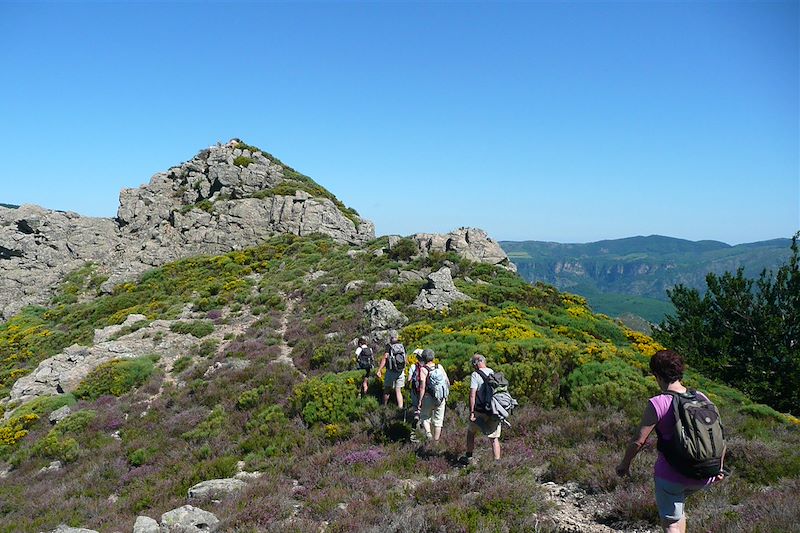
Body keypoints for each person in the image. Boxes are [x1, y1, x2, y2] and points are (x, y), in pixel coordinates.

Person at [615, 349, 726, 533]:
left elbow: (638, 441)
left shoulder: (658, 402)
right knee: (678, 511)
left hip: (672, 475)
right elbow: (719, 435)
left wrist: (624, 465)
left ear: (657, 375)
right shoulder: (701, 397)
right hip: (706, 474)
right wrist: (718, 467)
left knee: (672, 523)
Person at [464, 353, 502, 462]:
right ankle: (497, 461)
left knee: (471, 433)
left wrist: (472, 412)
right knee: (494, 438)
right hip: (493, 410)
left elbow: (472, 395)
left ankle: (469, 456)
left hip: (479, 411)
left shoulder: (475, 375)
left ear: (476, 364)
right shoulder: (492, 373)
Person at [413, 348, 449, 442]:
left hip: (428, 397)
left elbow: (422, 387)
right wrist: (446, 394)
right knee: (438, 420)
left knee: (425, 416)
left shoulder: (423, 369)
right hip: (441, 397)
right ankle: (436, 442)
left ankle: (428, 434)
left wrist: (420, 400)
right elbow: (447, 381)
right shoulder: (439, 367)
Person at [376, 335, 406, 408]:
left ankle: (384, 406)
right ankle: (400, 409)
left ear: (390, 339)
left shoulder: (389, 347)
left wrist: (379, 370)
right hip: (400, 371)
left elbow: (385, 358)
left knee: (387, 390)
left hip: (390, 371)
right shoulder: (402, 346)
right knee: (398, 391)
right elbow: (406, 358)